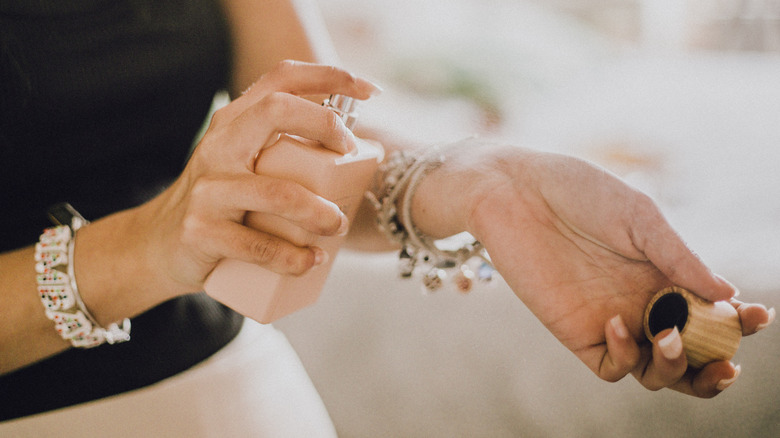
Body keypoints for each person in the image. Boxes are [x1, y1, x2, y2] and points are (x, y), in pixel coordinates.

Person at [0, 0, 774, 435]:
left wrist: (480, 182)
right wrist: (153, 241)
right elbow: (183, 226)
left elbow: (321, 138)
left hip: (240, 398)